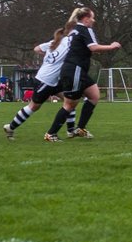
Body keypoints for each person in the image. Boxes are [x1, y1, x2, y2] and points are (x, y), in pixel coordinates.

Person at [43, 7, 121, 141]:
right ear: (85, 19)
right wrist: (111, 46)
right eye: (92, 17)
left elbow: (87, 48)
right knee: (69, 104)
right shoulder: (85, 30)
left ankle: (80, 128)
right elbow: (93, 47)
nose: (93, 20)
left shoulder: (75, 30)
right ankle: (51, 134)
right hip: (75, 70)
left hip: (77, 70)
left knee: (94, 95)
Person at [4, 27, 72, 139]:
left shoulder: (53, 43)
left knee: (69, 101)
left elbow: (36, 49)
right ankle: (10, 128)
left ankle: (71, 130)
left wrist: (47, 57)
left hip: (55, 80)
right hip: (45, 79)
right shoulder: (67, 43)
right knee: (34, 106)